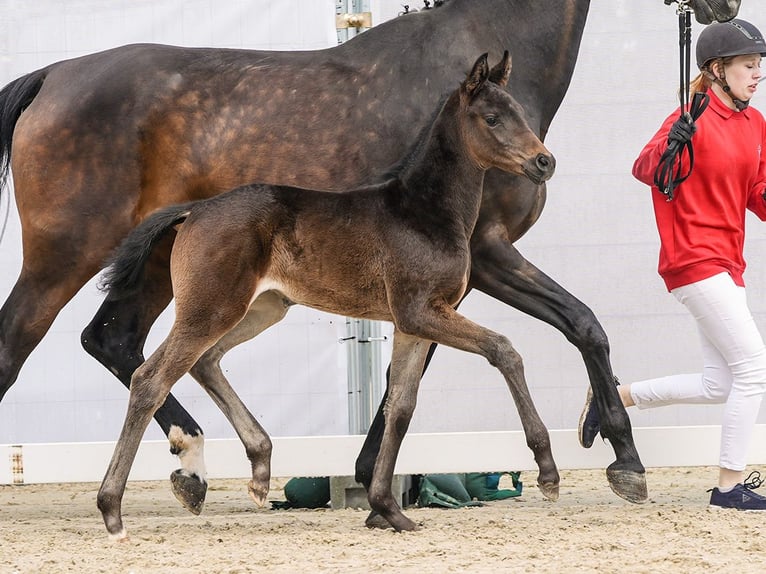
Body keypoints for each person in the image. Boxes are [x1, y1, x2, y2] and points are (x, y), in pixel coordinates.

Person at [579, 18, 766, 510]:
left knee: (720, 382)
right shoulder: (691, 114)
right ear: (718, 69)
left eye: (759, 65)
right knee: (755, 369)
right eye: (749, 65)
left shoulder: (755, 124)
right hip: (693, 258)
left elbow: (757, 191)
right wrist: (672, 142)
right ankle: (728, 489)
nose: (757, 74)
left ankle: (618, 397)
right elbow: (645, 168)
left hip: (728, 263)